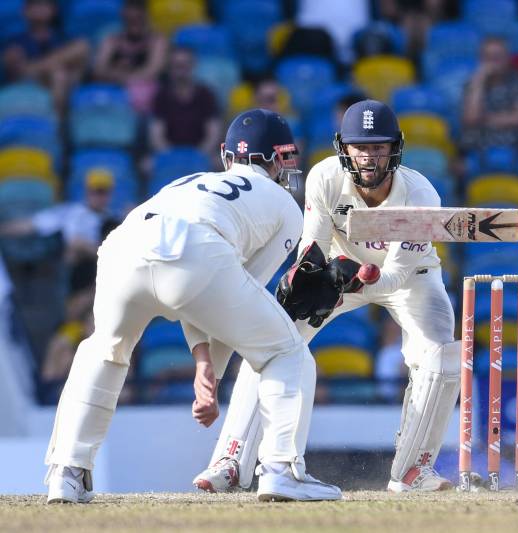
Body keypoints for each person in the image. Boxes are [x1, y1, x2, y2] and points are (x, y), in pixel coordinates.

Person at [44, 109, 343, 504]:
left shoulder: (191, 180)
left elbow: (213, 291)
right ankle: (281, 469)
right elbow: (235, 288)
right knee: (287, 352)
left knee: (104, 350)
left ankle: (66, 473)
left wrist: (204, 361)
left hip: (122, 246)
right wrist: (211, 371)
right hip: (195, 251)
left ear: (227, 154)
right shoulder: (284, 205)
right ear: (277, 157)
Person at [193, 99, 460, 494]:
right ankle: (231, 459)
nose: (369, 157)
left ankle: (412, 471)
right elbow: (312, 246)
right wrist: (309, 274)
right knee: (270, 339)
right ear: (344, 148)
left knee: (442, 352)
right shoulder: (324, 178)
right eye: (361, 147)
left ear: (395, 148)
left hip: (409, 277)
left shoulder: (421, 194)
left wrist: (359, 278)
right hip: (337, 269)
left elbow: (395, 275)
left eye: (379, 146)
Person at [149, 47, 222, 161]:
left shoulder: (206, 94)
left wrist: (199, 155)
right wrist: (171, 156)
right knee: (147, 165)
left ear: (193, 66)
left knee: (220, 163)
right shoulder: (161, 96)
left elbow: (213, 134)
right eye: (177, 66)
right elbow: (157, 136)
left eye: (185, 65)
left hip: (202, 152)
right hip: (169, 152)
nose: (181, 71)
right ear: (170, 68)